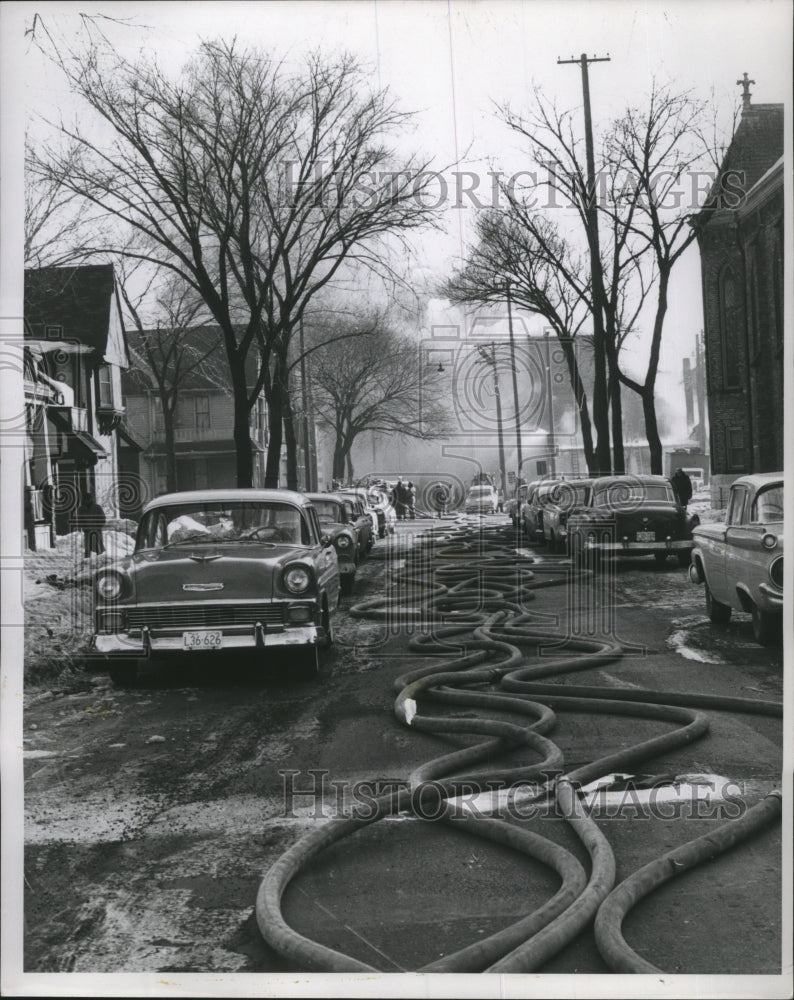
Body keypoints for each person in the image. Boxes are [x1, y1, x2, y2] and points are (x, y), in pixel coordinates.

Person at [76, 492, 106, 558]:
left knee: (99, 547)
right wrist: (85, 529)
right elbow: (79, 521)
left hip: (97, 531)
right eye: (85, 499)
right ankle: (87, 560)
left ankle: (100, 559)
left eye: (88, 499)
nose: (87, 501)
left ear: (91, 499)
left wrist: (98, 527)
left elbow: (102, 519)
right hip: (87, 531)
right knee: (88, 548)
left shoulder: (97, 507)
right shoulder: (81, 509)